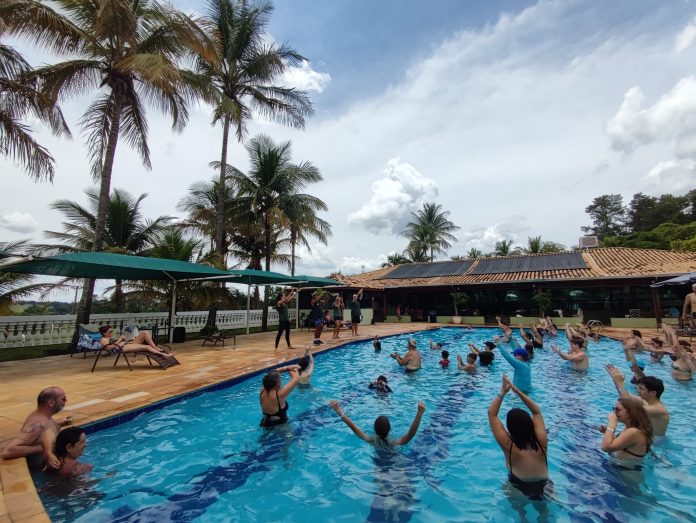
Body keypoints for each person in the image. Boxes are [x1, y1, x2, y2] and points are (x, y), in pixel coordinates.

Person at [488, 374, 549, 499]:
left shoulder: (509, 447)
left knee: (521, 515)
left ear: (510, 428)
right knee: (545, 513)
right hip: (545, 485)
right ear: (530, 425)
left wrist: (503, 392)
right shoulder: (542, 441)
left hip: (518, 485)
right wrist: (517, 392)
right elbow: (536, 411)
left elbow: (491, 414)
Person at [1, 387, 71, 470]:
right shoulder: (37, 424)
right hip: (42, 471)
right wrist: (43, 448)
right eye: (63, 399)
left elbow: (44, 432)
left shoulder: (43, 417)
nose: (66, 401)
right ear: (51, 402)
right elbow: (8, 452)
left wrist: (58, 424)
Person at [605, 364, 669, 436]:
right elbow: (625, 396)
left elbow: (628, 403)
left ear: (653, 393)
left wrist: (619, 382)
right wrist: (616, 379)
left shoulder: (658, 409)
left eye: (641, 388)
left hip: (656, 444)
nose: (638, 391)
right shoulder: (646, 402)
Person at [330, 399, 426, 447]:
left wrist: (339, 410)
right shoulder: (394, 443)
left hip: (380, 468)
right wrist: (419, 413)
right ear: (389, 429)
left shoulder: (372, 440)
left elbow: (353, 427)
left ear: (374, 430)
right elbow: (410, 434)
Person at [98, 325, 176, 359]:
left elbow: (115, 342)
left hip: (126, 344)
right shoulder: (103, 340)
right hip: (121, 348)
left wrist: (122, 339)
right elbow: (110, 349)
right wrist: (120, 340)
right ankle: (164, 355)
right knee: (147, 347)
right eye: (110, 331)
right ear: (104, 333)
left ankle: (155, 347)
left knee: (144, 333)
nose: (111, 333)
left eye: (112, 331)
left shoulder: (109, 337)